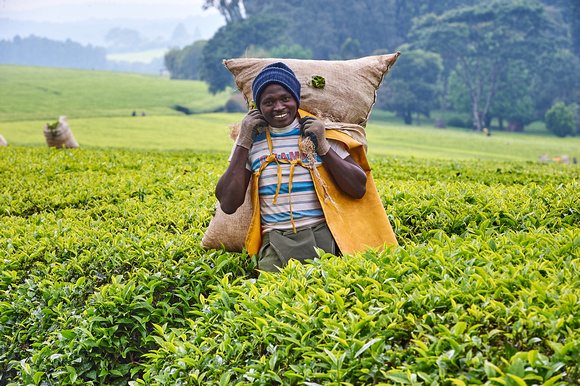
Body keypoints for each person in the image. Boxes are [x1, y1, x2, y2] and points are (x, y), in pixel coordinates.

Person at [215, 62, 397, 272]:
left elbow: (358, 188)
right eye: (269, 102)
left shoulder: (320, 133)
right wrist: (243, 141)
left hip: (323, 237)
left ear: (296, 99)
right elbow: (228, 204)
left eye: (285, 98)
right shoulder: (250, 142)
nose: (279, 107)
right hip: (275, 242)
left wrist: (323, 146)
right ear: (258, 106)